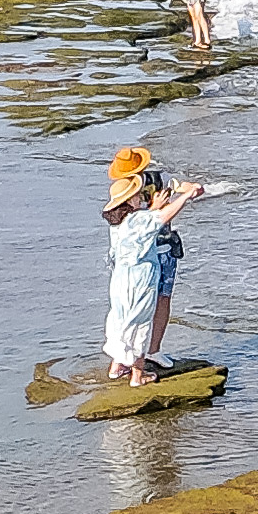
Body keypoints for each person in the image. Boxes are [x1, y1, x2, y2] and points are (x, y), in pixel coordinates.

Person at [101, 147, 208, 384]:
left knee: (129, 312)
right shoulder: (129, 201)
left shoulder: (124, 194)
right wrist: (174, 200)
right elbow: (149, 220)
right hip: (145, 259)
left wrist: (188, 189)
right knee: (140, 312)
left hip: (138, 261)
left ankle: (135, 356)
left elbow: (177, 185)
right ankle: (136, 367)